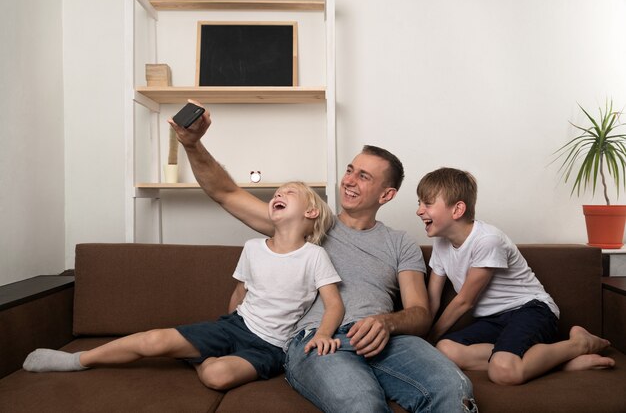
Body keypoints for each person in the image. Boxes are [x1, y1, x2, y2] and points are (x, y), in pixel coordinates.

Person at [168, 101, 476, 413]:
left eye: (364, 176)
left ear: (386, 195)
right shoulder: (307, 222)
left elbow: (420, 312)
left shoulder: (400, 243)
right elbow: (226, 193)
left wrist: (386, 322)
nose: (349, 180)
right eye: (349, 170)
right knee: (362, 405)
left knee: (455, 388)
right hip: (316, 340)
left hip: (387, 340)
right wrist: (192, 144)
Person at [23, 181, 345, 391]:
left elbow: (334, 304)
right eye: (276, 193)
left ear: (311, 211)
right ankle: (78, 360)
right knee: (154, 340)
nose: (278, 194)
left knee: (216, 376)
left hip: (271, 346)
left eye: (289, 192)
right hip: (235, 326)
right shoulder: (252, 247)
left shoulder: (314, 256)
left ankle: (198, 357)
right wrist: (225, 328)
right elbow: (238, 293)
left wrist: (322, 334)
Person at [416, 167, 616, 385]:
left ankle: (580, 344)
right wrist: (423, 340)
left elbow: (465, 301)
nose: (419, 210)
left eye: (427, 203)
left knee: (503, 372)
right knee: (444, 349)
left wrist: (429, 338)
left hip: (531, 310)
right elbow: (432, 300)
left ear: (457, 210)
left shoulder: (487, 240)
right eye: (419, 203)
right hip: (494, 320)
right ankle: (555, 362)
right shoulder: (441, 242)